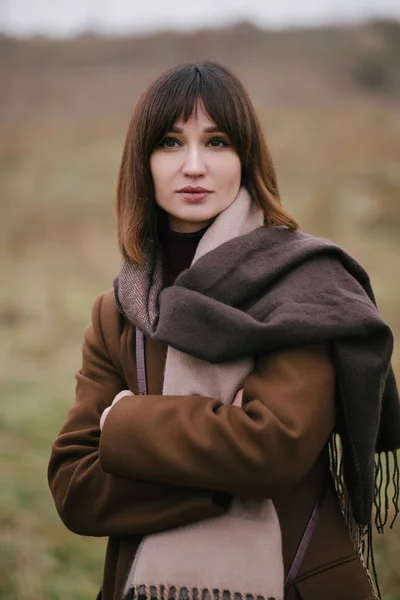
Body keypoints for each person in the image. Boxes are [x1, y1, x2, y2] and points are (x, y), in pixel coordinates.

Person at [48, 62, 400, 600]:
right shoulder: (118, 312)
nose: (194, 166)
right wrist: (223, 464)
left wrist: (124, 425)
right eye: (170, 142)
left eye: (216, 142)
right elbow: (75, 487)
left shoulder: (305, 288)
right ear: (143, 162)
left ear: (246, 158)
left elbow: (271, 453)